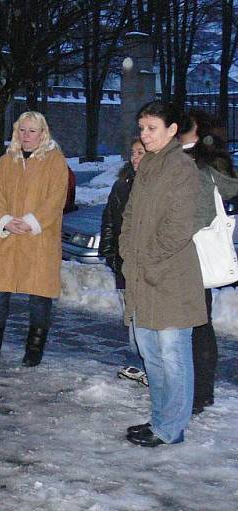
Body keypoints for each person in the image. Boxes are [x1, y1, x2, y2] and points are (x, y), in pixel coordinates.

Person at [120, 101, 205, 447]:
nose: (145, 134)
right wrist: (127, 251)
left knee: (173, 357)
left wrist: (147, 258)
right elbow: (129, 216)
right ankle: (159, 420)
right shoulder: (148, 166)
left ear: (172, 130)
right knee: (151, 356)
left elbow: (179, 226)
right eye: (142, 128)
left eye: (152, 128)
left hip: (170, 279)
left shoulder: (181, 168)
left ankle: (171, 429)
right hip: (143, 276)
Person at [0, 111, 68, 367]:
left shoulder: (55, 161)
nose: (26, 136)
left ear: (42, 133)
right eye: (22, 130)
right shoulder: (7, 161)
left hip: (39, 240)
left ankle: (34, 349)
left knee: (39, 297)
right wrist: (4, 219)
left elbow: (56, 200)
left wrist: (31, 222)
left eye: (32, 131)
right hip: (9, 239)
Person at [179, 109, 238, 414]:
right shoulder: (177, 156)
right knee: (193, 323)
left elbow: (225, 193)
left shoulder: (202, 161)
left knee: (198, 324)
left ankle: (200, 392)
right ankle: (195, 389)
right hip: (181, 253)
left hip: (192, 252)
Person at [99, 138, 148, 386]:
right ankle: (137, 362)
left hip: (147, 265)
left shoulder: (157, 186)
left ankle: (151, 364)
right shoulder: (121, 186)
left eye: (141, 152)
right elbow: (109, 220)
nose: (135, 157)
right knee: (131, 316)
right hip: (123, 263)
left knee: (147, 316)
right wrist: (109, 253)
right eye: (133, 153)